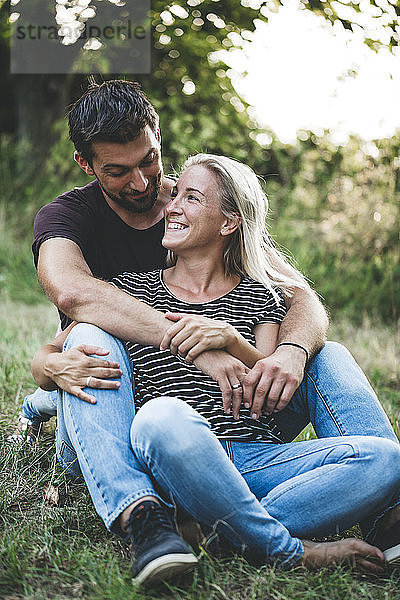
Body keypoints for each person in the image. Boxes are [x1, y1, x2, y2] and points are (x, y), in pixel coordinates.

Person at [32, 153, 400, 586]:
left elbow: (265, 386)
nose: (171, 206)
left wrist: (230, 341)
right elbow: (52, 352)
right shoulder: (130, 291)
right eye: (177, 197)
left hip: (255, 454)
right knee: (159, 417)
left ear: (228, 223)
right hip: (178, 454)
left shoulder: (259, 296)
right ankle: (284, 547)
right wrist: (50, 367)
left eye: (191, 198)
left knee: (386, 458)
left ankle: (217, 532)